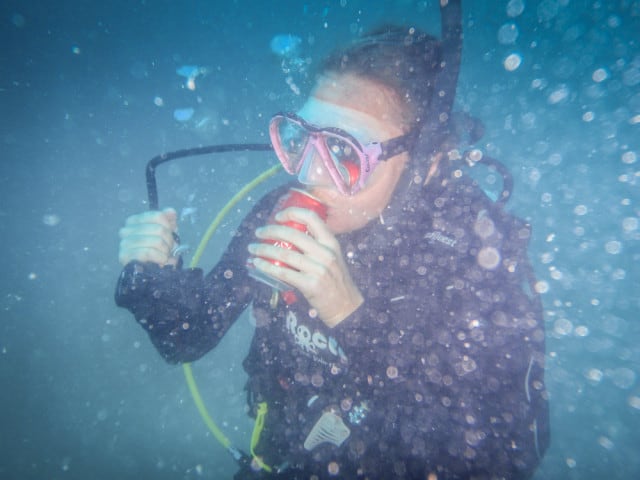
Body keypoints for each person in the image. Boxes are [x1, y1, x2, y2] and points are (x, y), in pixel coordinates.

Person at [116, 23, 549, 480]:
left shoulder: (473, 256)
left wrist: (351, 316)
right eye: (301, 139)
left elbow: (500, 459)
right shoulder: (281, 211)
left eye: (343, 152)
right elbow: (189, 335)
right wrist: (151, 280)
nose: (310, 172)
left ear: (427, 164)